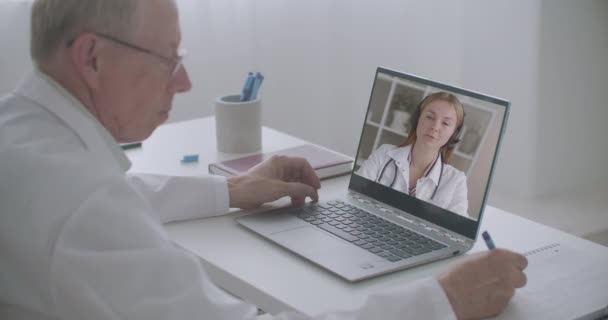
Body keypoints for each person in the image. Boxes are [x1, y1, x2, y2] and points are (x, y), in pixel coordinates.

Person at [0, 0, 527, 319]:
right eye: (168, 59)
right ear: (92, 57)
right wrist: (442, 302)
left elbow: (115, 197)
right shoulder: (84, 206)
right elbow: (97, 209)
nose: (183, 82)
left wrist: (231, 190)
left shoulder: (23, 136)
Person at [358, 92, 469, 216]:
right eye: (430, 117)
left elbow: (457, 229)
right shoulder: (384, 154)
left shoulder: (456, 180)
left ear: (454, 134)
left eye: (445, 123)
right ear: (417, 120)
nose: (435, 127)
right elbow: (355, 194)